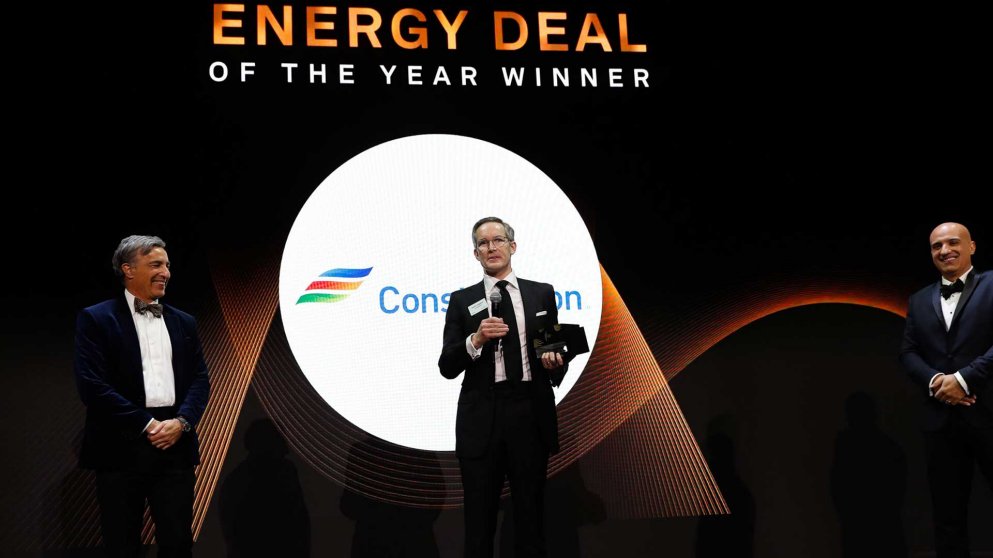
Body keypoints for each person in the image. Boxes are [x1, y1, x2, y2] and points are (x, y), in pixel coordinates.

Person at [74, 235, 211, 558]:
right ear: (128, 269)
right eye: (156, 265)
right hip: (119, 447)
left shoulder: (184, 322)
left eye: (167, 265)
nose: (166, 272)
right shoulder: (96, 318)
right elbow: (92, 385)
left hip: (175, 446)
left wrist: (182, 422)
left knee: (178, 544)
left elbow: (200, 379)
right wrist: (148, 424)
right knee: (121, 545)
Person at [439, 217, 568, 558]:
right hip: (483, 416)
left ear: (513, 246)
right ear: (475, 254)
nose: (491, 247)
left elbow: (553, 351)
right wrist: (476, 339)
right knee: (479, 524)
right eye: (483, 243)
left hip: (529, 413)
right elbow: (447, 365)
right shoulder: (462, 300)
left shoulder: (541, 293)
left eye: (498, 240)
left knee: (530, 520)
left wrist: (555, 362)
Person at [900, 221, 993, 558]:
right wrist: (938, 381)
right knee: (947, 519)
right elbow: (908, 353)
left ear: (972, 246)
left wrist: (963, 380)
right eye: (936, 246)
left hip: (990, 412)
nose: (945, 250)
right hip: (940, 421)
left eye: (953, 242)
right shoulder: (918, 299)